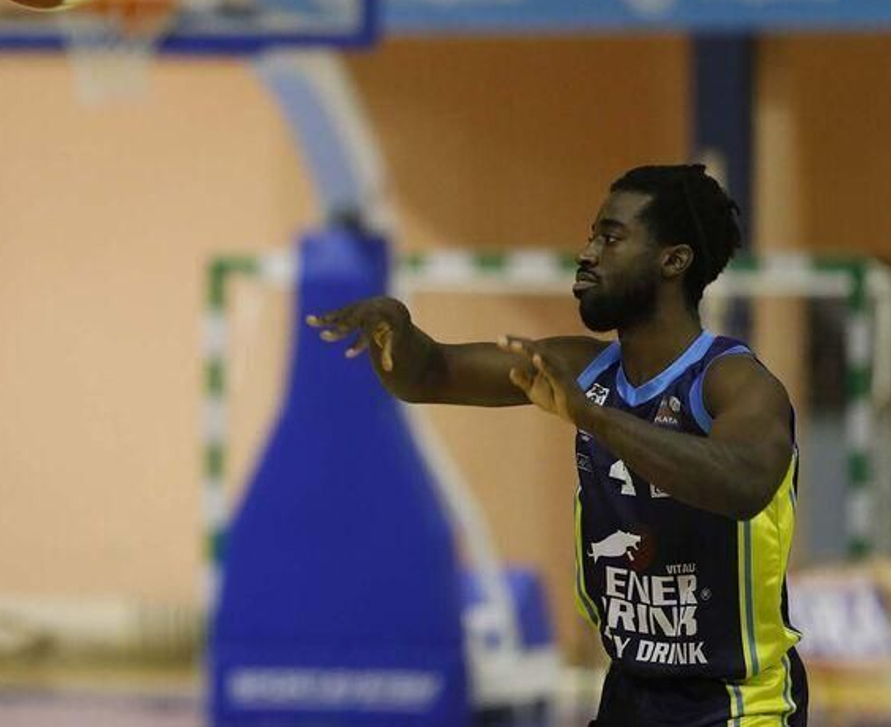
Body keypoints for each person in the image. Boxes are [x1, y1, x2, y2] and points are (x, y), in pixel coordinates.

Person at [309, 164, 805, 726]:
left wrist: (594, 417)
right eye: (592, 235)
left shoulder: (734, 381)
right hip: (629, 695)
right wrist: (395, 330)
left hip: (736, 705)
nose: (588, 252)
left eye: (611, 237)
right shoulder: (581, 367)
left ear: (674, 260)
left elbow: (743, 484)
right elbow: (431, 374)